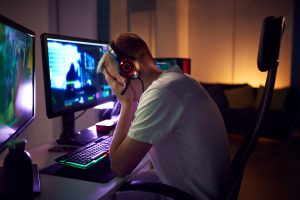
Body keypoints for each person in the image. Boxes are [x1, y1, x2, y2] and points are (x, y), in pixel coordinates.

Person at [97, 32, 231, 200]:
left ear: (129, 69)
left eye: (117, 81)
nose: (117, 89)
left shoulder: (161, 93)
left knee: (109, 194)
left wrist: (126, 104)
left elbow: (119, 166)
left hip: (191, 195)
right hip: (201, 187)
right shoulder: (180, 80)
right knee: (118, 185)